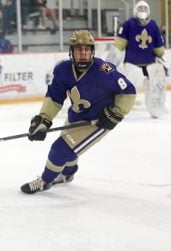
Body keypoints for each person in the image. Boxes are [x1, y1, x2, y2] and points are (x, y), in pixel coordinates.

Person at [20, 30, 136, 194]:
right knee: (69, 150)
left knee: (60, 150)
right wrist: (43, 120)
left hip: (97, 122)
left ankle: (45, 181)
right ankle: (67, 174)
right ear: (71, 51)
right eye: (79, 49)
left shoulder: (104, 70)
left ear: (92, 51)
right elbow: (54, 97)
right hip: (76, 118)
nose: (83, 53)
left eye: (87, 49)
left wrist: (115, 114)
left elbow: (129, 91)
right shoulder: (62, 70)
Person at [106, 0, 168, 119]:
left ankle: (156, 107)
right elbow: (119, 45)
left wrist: (161, 57)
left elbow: (158, 48)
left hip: (150, 62)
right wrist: (111, 62)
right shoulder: (128, 24)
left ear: (148, 11)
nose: (142, 11)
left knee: (158, 84)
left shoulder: (153, 25)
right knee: (126, 86)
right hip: (132, 62)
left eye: (145, 9)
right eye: (140, 9)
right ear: (135, 10)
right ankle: (120, 107)